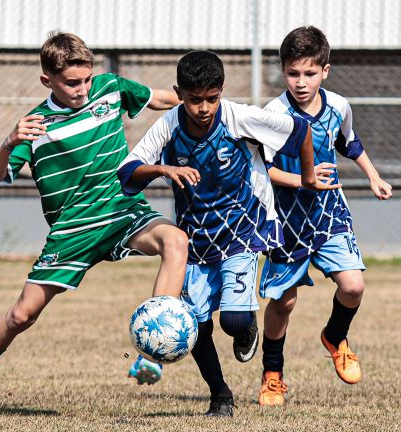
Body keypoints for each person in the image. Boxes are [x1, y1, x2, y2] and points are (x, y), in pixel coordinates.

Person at [0, 31, 189, 416]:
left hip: (121, 211)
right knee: (21, 315)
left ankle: (153, 354)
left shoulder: (110, 89)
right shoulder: (34, 126)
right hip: (72, 231)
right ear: (46, 80)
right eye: (71, 83)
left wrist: (201, 100)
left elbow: (164, 100)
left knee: (176, 241)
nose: (82, 89)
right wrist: (8, 140)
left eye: (86, 79)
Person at [116, 50, 339, 417]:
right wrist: (162, 169)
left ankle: (245, 326)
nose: (203, 107)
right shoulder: (169, 124)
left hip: (243, 230)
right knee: (196, 325)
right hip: (197, 240)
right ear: (179, 93)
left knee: (232, 321)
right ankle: (220, 395)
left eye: (211, 98)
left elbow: (301, 132)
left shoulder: (238, 117)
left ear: (221, 91)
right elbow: (128, 170)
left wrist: (309, 177)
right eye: (193, 99)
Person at [257, 26, 393, 407]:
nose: (301, 82)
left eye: (310, 73)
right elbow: (264, 168)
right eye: (293, 73)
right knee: (283, 302)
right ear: (283, 72)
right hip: (286, 221)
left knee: (353, 286)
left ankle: (335, 337)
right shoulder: (274, 114)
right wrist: (303, 180)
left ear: (325, 71)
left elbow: (350, 142)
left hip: (329, 214)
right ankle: (272, 375)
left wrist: (373, 175)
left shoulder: (338, 106)